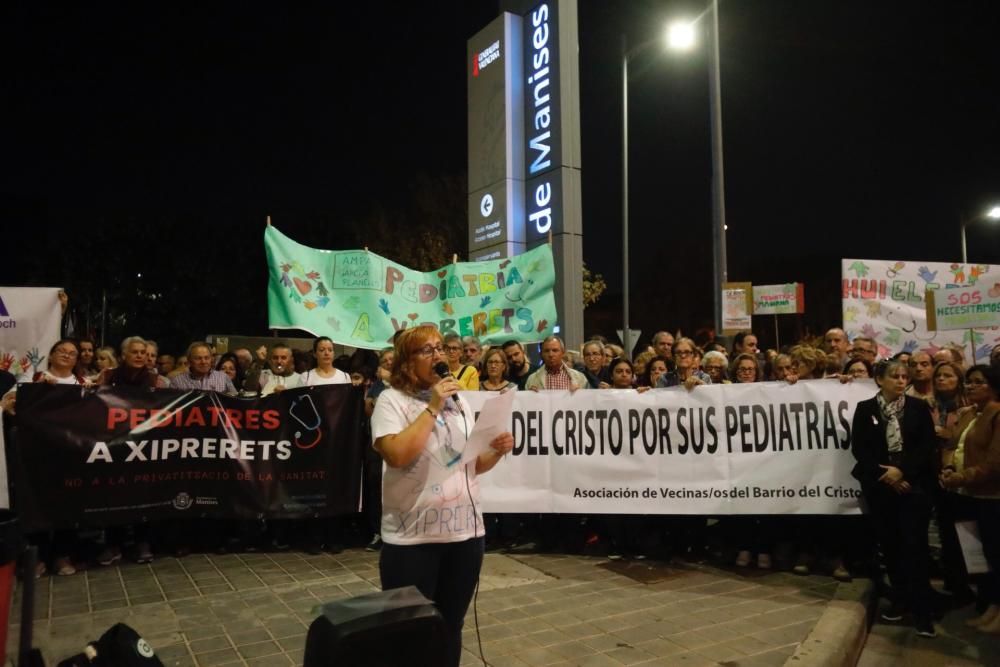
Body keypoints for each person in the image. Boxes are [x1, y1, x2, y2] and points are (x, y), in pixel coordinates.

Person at [371, 325, 514, 667]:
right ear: (406, 362)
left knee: (451, 627)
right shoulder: (391, 401)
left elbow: (470, 467)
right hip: (412, 540)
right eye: (427, 350)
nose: (438, 355)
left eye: (440, 348)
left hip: (464, 536)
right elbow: (397, 455)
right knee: (409, 634)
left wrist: (495, 451)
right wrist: (433, 405)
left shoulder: (459, 400)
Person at [851, 359, 939, 637]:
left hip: (914, 488)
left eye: (904, 376)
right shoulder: (865, 409)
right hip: (881, 489)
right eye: (895, 376)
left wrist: (904, 473)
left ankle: (922, 611)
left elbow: (927, 447)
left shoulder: (917, 408)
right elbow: (860, 449)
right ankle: (900, 600)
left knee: (915, 548)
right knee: (891, 547)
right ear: (880, 380)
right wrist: (886, 475)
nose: (901, 381)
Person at [939, 365, 1000, 633]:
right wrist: (949, 467)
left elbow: (995, 463)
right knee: (980, 557)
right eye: (970, 382)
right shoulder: (968, 414)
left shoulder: (997, 414)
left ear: (994, 386)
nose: (971, 386)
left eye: (979, 382)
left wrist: (962, 477)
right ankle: (990, 607)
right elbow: (953, 446)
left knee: (996, 556)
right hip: (967, 496)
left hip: (992, 496)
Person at [99, 337, 169, 388]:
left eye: (143, 352)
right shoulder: (107, 376)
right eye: (134, 352)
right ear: (124, 355)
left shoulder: (156, 381)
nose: (139, 356)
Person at [169, 342, 236, 393]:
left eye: (207, 358)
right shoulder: (177, 381)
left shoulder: (223, 378)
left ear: (211, 359)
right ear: (189, 361)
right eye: (198, 358)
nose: (203, 362)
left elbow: (236, 402)